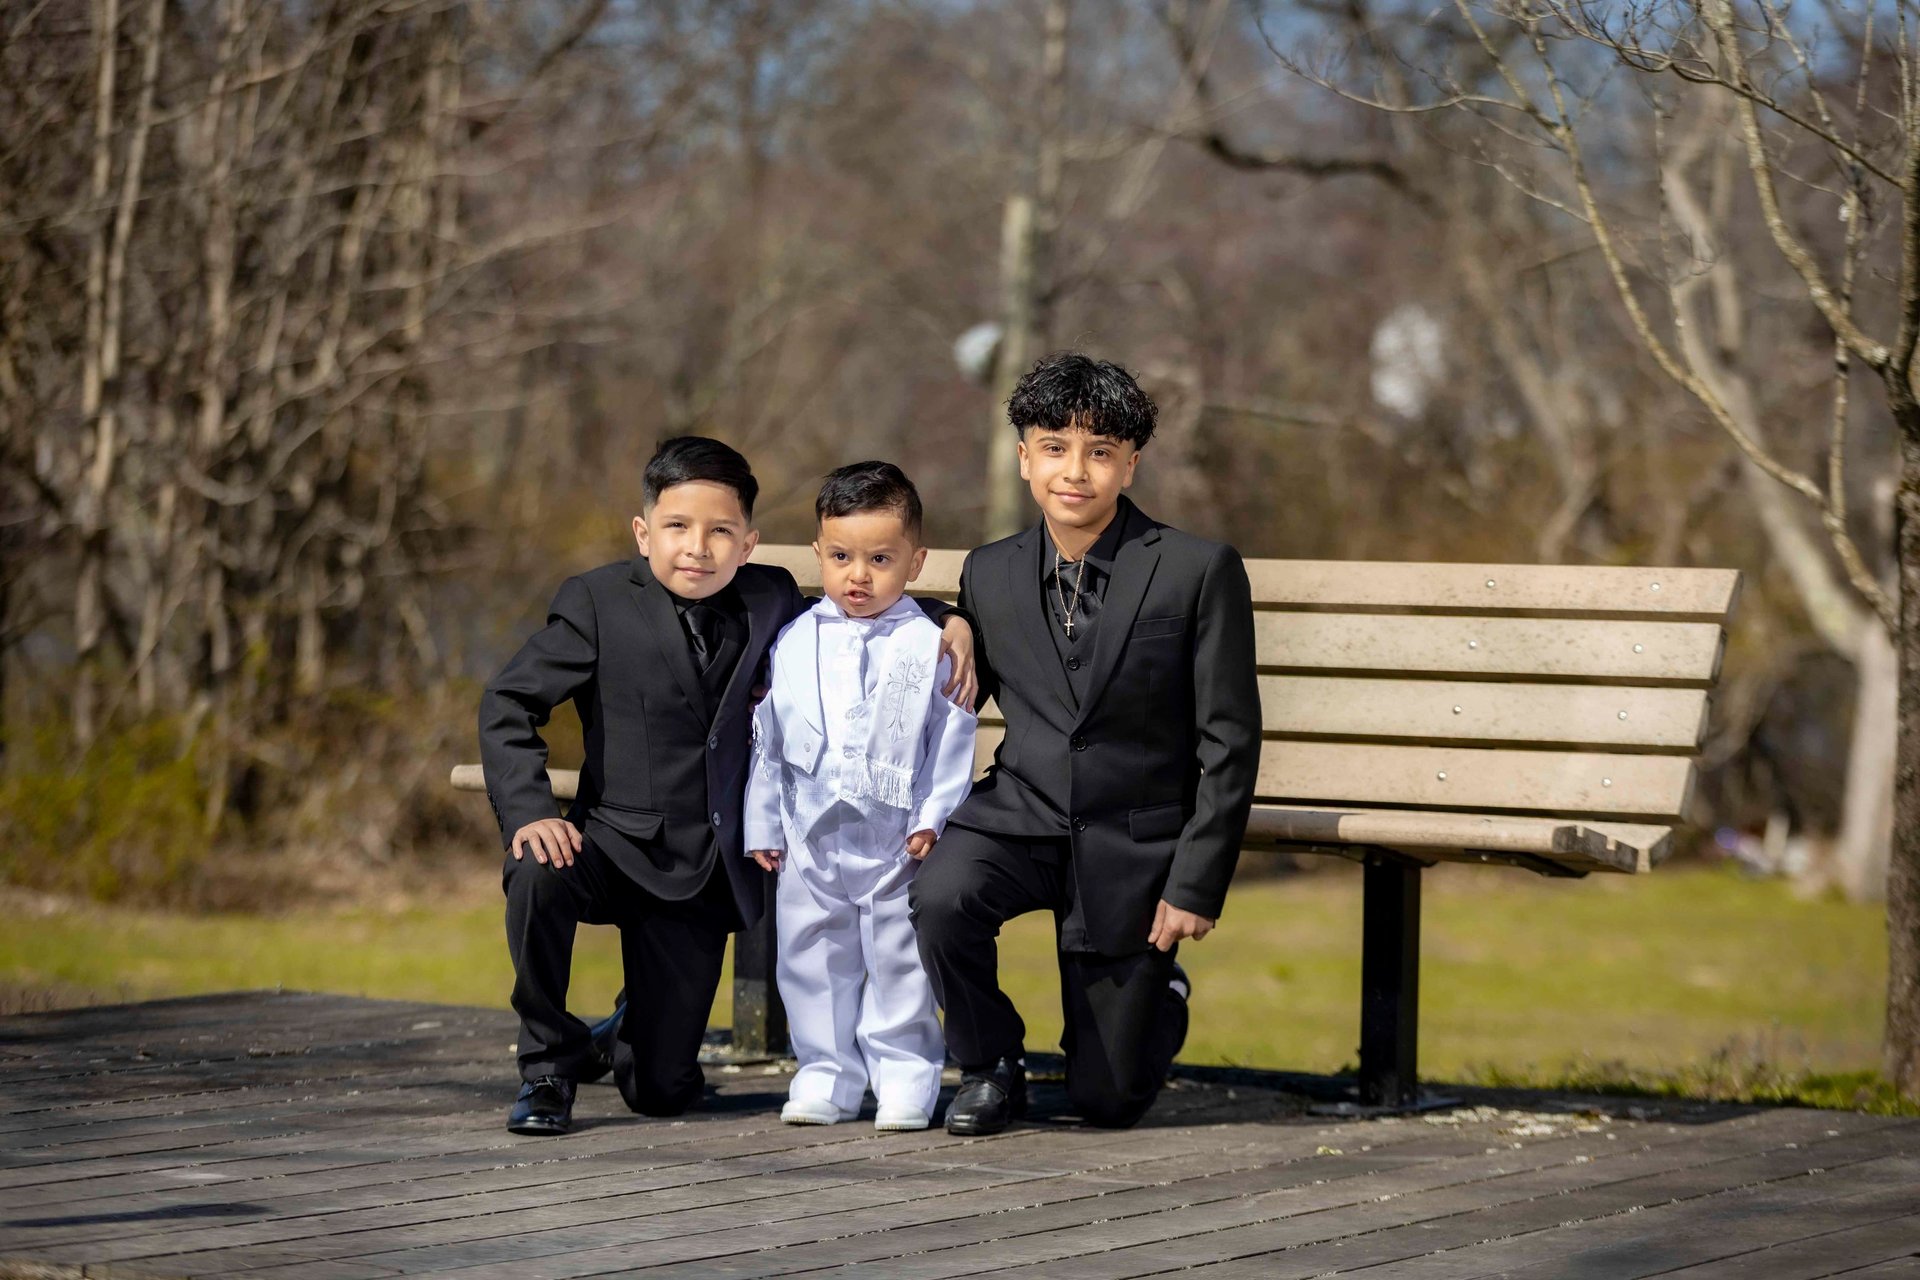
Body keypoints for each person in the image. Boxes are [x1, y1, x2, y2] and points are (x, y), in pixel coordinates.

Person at [479, 437, 974, 1136]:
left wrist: (952, 621)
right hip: (610, 849)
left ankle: (629, 1025)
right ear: (643, 531)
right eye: (677, 528)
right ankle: (547, 1066)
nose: (697, 548)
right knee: (535, 870)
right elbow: (508, 703)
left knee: (660, 1091)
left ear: (749, 543)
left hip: (699, 874)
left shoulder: (769, 598)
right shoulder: (594, 603)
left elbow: (861, 606)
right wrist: (531, 811)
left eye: (720, 532)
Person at [910, 352, 1261, 1134]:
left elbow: (1230, 741)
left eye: (1100, 452)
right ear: (1025, 457)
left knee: (1106, 1101)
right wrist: (945, 619)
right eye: (1056, 448)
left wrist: (1195, 883)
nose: (1077, 471)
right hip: (1021, 818)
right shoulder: (991, 572)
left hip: (1132, 844)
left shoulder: (1197, 571)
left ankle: (1157, 996)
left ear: (1130, 465)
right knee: (939, 896)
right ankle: (989, 1063)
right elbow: (944, 648)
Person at [744, 462, 977, 1132]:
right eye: (842, 556)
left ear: (915, 561)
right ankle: (825, 1074)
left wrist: (934, 816)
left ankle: (906, 1077)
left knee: (897, 958)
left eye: (880, 559)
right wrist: (764, 821)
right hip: (808, 835)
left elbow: (951, 737)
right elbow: (769, 733)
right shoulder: (792, 641)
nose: (858, 575)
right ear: (819, 552)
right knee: (811, 957)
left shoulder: (927, 642)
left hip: (893, 836)